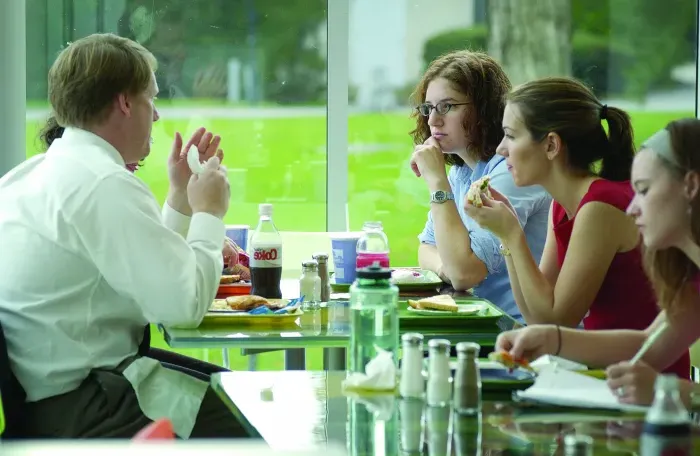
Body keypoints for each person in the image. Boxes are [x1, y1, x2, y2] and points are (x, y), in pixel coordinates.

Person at [0, 33, 249, 438]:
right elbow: (181, 305)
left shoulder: (30, 177)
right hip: (93, 403)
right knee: (261, 415)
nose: (156, 117)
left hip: (44, 403)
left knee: (244, 393)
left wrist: (180, 200)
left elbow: (145, 276)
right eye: (151, 99)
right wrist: (209, 213)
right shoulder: (101, 183)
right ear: (125, 102)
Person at [495, 118, 700, 404]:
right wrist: (550, 339)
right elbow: (647, 344)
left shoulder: (598, 205)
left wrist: (671, 392)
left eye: (643, 190)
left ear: (690, 185)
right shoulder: (692, 284)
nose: (631, 209)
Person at [411, 50, 551, 322]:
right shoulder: (462, 172)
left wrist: (437, 181)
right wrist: (446, 268)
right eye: (429, 108)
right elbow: (426, 248)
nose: (432, 120)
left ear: (484, 109)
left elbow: (464, 274)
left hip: (518, 332)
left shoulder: (511, 173)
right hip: (484, 326)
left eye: (447, 106)